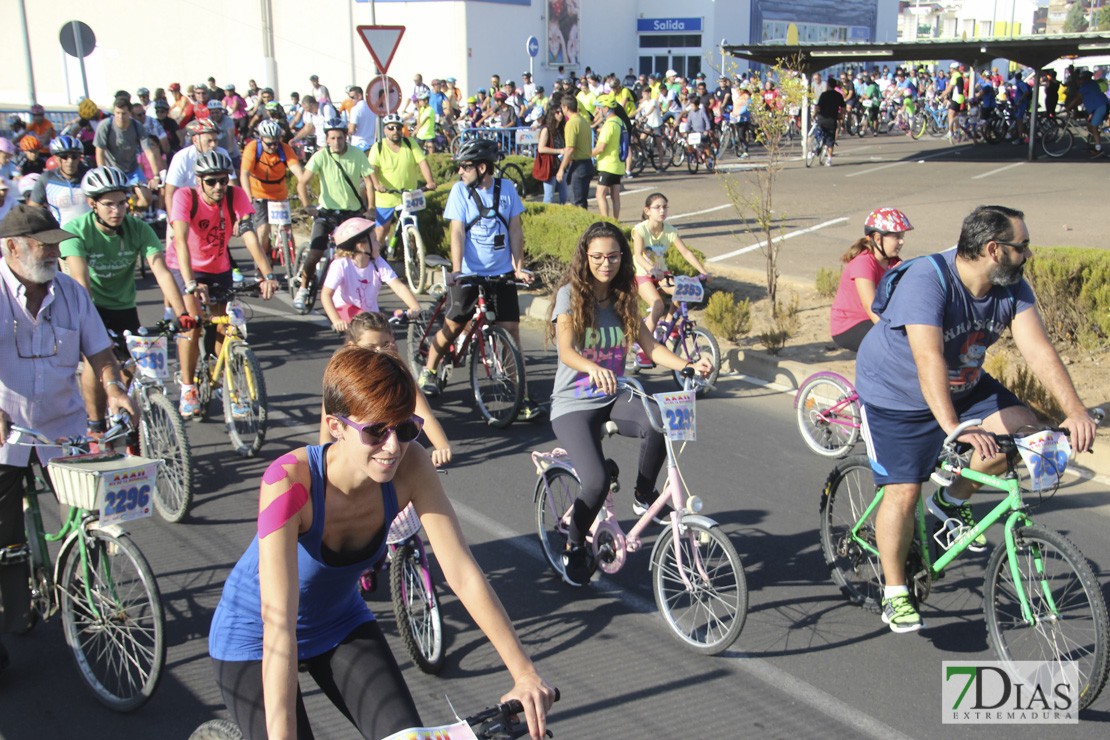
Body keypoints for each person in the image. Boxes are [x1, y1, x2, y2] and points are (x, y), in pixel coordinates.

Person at [208, 346, 555, 739]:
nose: (393, 446)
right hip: (255, 636)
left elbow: (462, 573)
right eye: (375, 431)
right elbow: (278, 625)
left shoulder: (413, 466)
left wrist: (524, 672)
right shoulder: (287, 480)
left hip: (338, 622)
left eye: (405, 428)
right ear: (335, 426)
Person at [856, 205, 1098, 634]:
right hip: (897, 396)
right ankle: (894, 592)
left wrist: (1074, 410)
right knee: (904, 491)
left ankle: (950, 501)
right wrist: (956, 428)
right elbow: (927, 357)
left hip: (964, 385)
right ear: (993, 249)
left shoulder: (1011, 286)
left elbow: (1038, 350)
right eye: (1022, 247)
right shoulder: (928, 280)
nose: (1028, 254)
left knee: (1027, 431)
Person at [0, 204, 138, 674]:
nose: (56, 252)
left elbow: (98, 349)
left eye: (59, 243)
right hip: (9, 429)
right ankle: (14, 610)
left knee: (85, 518)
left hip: (63, 427)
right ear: (13, 247)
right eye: (45, 244)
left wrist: (115, 389)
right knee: (5, 537)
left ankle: (82, 600)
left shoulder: (70, 293)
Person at [546, 221, 713, 585]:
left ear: (623, 258)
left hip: (613, 395)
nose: (606, 263)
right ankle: (574, 546)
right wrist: (592, 367)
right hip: (573, 403)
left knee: (658, 419)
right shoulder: (571, 295)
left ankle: (643, 493)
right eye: (598, 257)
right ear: (585, 257)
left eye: (614, 256)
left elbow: (650, 347)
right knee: (595, 481)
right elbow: (566, 350)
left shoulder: (624, 299)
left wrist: (688, 363)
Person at [416, 139, 543, 421]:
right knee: (452, 325)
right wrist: (458, 270)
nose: (460, 171)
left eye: (465, 166)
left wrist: (518, 267)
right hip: (470, 273)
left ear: (482, 167)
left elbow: (515, 231)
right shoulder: (460, 191)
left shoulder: (506, 189)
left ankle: (521, 397)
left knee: (511, 331)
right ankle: (431, 369)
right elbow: (457, 232)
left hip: (500, 274)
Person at [60, 167, 194, 427]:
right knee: (97, 361)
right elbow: (80, 281)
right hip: (90, 305)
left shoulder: (138, 228)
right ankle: (97, 424)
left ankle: (123, 414)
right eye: (109, 205)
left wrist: (182, 313)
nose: (117, 211)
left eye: (122, 203)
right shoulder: (76, 230)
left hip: (123, 305)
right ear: (92, 204)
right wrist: (92, 327)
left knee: (132, 363)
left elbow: (160, 270)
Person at [169, 151, 278, 417]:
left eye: (223, 180)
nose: (219, 187)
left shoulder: (235, 195)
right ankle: (187, 389)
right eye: (211, 181)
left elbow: (249, 234)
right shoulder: (185, 197)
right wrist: (190, 282)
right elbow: (180, 240)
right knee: (193, 323)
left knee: (225, 326)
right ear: (199, 180)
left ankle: (225, 385)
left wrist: (268, 274)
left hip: (219, 267)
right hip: (185, 267)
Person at [316, 311, 451, 467]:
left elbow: (424, 415)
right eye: (371, 347)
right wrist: (325, 466)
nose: (380, 353)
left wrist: (442, 446)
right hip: (354, 453)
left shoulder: (397, 373)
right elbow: (326, 430)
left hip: (386, 451)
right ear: (352, 346)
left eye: (386, 345)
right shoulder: (342, 378)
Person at [293, 118, 375, 312]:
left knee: (359, 255)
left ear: (346, 137)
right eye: (332, 138)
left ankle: (357, 293)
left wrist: (371, 208)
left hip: (351, 213)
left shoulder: (357, 154)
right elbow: (302, 183)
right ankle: (303, 288)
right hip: (326, 212)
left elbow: (369, 183)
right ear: (327, 139)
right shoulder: (321, 156)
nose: (336, 142)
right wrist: (307, 206)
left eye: (340, 138)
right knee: (315, 253)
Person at [631, 192, 711, 343]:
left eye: (665, 207)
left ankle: (668, 324)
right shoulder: (640, 230)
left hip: (662, 273)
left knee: (681, 291)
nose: (662, 211)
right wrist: (651, 269)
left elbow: (686, 253)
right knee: (658, 305)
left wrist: (704, 272)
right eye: (657, 207)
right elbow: (638, 256)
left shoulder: (670, 230)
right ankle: (644, 347)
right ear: (647, 210)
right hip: (643, 273)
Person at [829, 208, 911, 353]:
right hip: (850, 325)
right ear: (878, 238)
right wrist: (890, 334)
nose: (902, 241)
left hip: (873, 318)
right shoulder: (864, 263)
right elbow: (870, 306)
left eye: (902, 236)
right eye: (896, 237)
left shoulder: (894, 262)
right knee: (894, 348)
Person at [319, 217, 420, 334]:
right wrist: (336, 320)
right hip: (346, 309)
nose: (379, 244)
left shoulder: (377, 262)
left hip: (370, 313)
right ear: (360, 246)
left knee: (388, 339)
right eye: (375, 240)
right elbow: (326, 295)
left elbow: (398, 286)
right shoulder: (341, 264)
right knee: (368, 332)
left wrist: (414, 306)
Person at [368, 113, 437, 251]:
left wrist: (430, 182)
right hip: (386, 196)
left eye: (399, 128)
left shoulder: (410, 143)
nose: (395, 131)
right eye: (391, 128)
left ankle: (413, 259)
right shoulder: (378, 147)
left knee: (411, 228)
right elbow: (372, 170)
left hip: (408, 196)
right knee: (382, 229)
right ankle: (375, 257)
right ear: (385, 130)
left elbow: (422, 163)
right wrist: (376, 184)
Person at [240, 120, 306, 256]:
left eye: (275, 143)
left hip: (279, 194)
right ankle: (261, 262)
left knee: (287, 228)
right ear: (261, 139)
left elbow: (297, 171)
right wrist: (248, 196)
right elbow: (244, 174)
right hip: (258, 194)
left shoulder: (284, 149)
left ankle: (292, 262)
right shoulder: (252, 148)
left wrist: (303, 187)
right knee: (263, 229)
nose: (273, 147)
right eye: (269, 144)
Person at [94, 97, 163, 208]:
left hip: (132, 169)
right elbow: (99, 153)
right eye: (117, 113)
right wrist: (103, 174)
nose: (120, 117)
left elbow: (149, 152)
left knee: (146, 199)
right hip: (113, 170)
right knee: (111, 201)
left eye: (124, 113)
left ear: (130, 113)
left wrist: (156, 175)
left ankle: (133, 211)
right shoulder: (105, 126)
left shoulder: (137, 126)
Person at [28, 136, 91, 225]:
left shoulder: (90, 176)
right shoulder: (46, 179)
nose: (70, 161)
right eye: (64, 156)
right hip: (61, 235)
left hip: (90, 234)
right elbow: (32, 211)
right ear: (55, 158)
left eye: (74, 156)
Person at [591, 95, 629, 220]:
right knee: (615, 195)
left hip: (607, 164)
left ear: (606, 108)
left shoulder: (609, 125)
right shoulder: (620, 121)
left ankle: (606, 221)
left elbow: (601, 147)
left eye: (599, 108)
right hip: (618, 164)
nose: (597, 110)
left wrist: (586, 154)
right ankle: (615, 221)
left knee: (600, 194)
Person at [555, 97, 594, 209]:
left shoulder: (572, 123)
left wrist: (561, 169)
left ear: (566, 108)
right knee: (582, 202)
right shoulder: (583, 121)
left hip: (578, 165)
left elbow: (570, 149)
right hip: (587, 163)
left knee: (576, 204)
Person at [1066, 70, 1108, 158]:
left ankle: (1098, 149)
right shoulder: (1092, 84)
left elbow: (1077, 97)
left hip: (1099, 107)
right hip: (1100, 106)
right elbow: (1081, 100)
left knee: (1094, 127)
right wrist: (1072, 106)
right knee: (1089, 126)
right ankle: (1091, 144)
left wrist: (1068, 107)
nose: (1080, 81)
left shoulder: (1086, 86)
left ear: (1084, 79)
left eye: (1081, 79)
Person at [535, 103, 568, 204]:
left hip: (561, 165)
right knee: (549, 196)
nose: (560, 114)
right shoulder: (546, 129)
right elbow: (541, 148)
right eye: (557, 112)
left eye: (561, 112)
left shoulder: (561, 129)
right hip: (550, 166)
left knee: (564, 195)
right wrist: (559, 151)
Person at [815, 78, 845, 166]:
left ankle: (817, 146)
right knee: (830, 141)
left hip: (822, 119)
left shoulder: (824, 94)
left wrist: (814, 114)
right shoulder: (838, 95)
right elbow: (843, 108)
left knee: (818, 134)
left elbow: (818, 106)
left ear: (828, 85)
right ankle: (829, 159)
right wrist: (840, 115)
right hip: (832, 120)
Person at [345, 86, 377, 153]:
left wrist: (345, 131)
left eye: (352, 97)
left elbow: (352, 130)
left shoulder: (355, 109)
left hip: (358, 145)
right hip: (371, 144)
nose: (351, 100)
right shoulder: (372, 109)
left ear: (359, 96)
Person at [413, 90, 436, 154]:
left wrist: (416, 130)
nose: (419, 102)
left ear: (426, 100)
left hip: (429, 134)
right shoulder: (422, 109)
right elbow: (419, 121)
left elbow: (423, 122)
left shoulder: (430, 109)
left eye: (420, 100)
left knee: (431, 152)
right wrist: (418, 109)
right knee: (417, 151)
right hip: (421, 134)